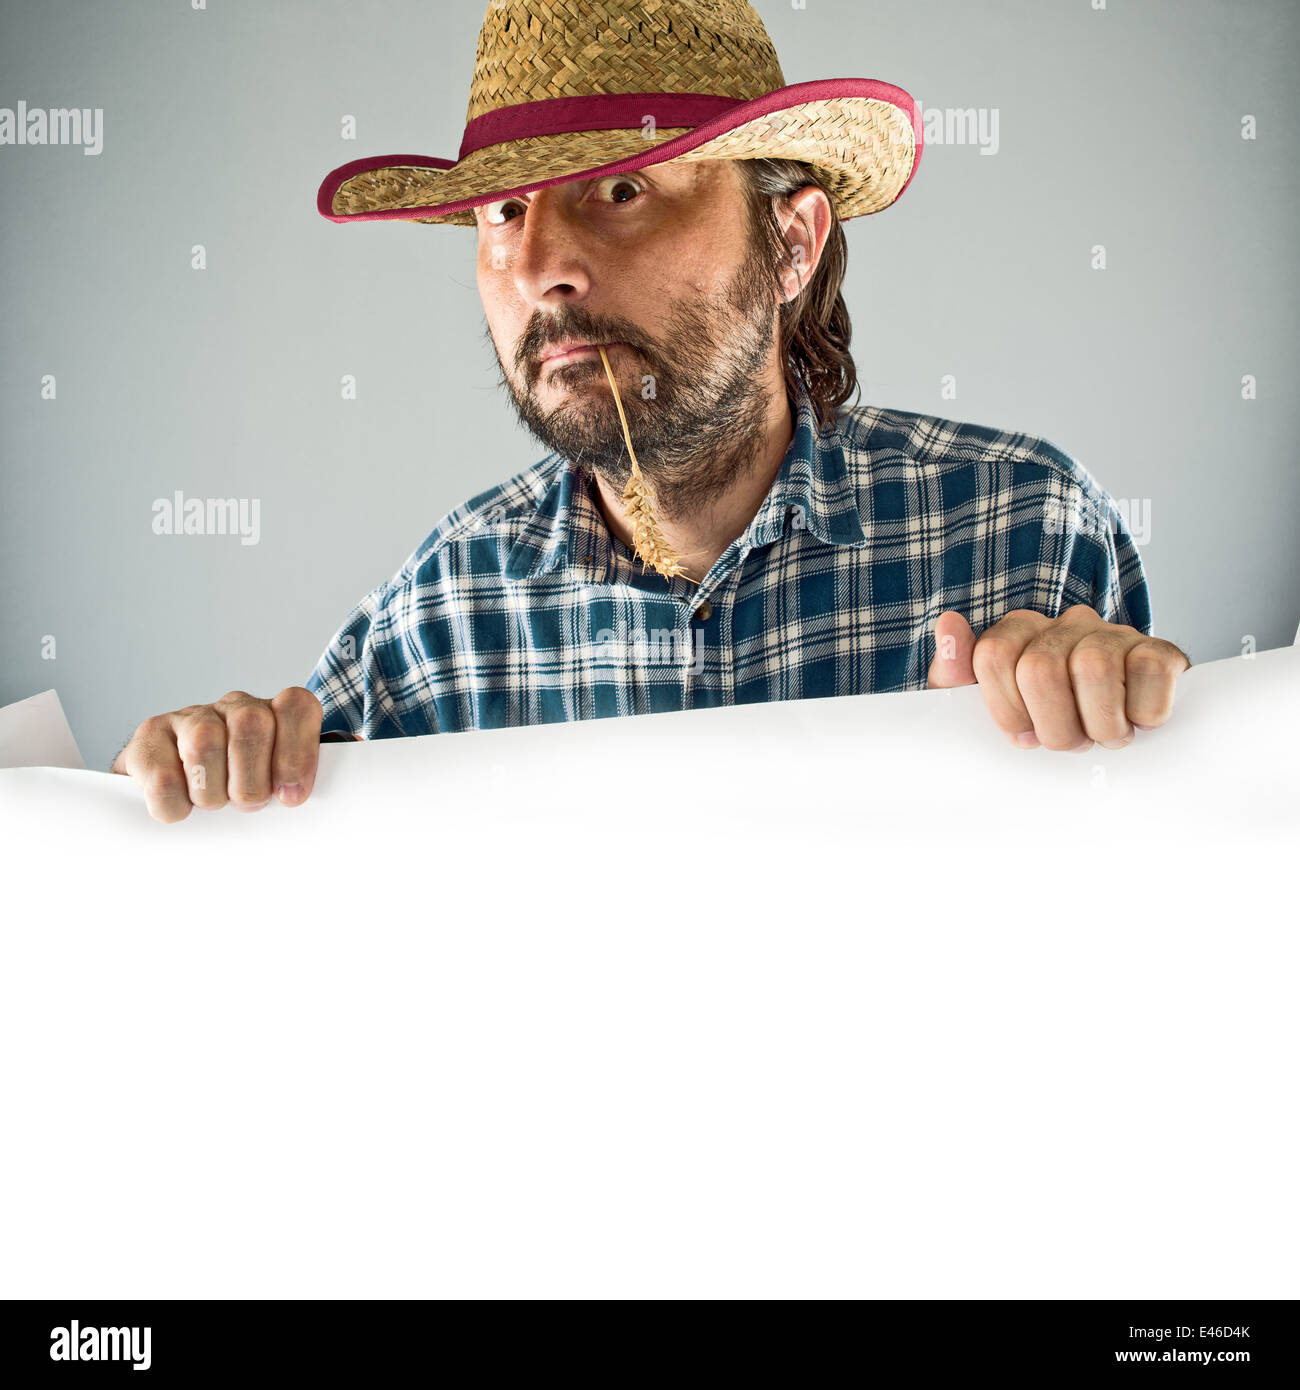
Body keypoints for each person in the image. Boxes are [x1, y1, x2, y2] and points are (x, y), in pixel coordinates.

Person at [110, 0, 1189, 821]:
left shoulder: (1023, 530)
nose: (538, 268)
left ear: (792, 245)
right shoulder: (436, 625)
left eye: (622, 189)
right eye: (504, 210)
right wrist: (193, 786)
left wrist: (1098, 718)